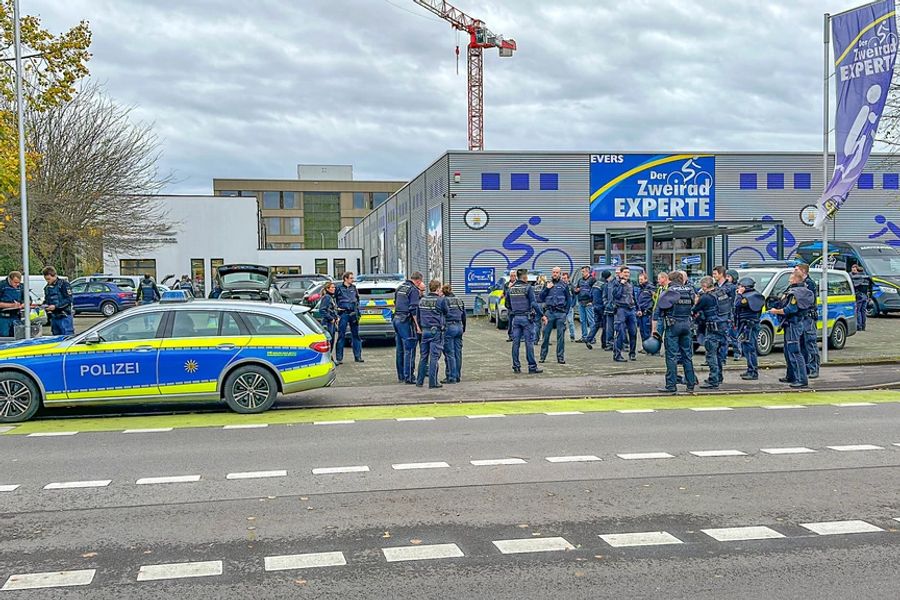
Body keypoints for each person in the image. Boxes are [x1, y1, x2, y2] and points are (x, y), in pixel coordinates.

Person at [653, 271, 697, 394]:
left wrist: (656, 330)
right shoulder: (689, 290)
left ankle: (671, 385)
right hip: (687, 325)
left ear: (670, 279)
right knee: (687, 356)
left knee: (671, 356)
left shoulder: (668, 291)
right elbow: (695, 304)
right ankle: (690, 384)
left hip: (673, 325)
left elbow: (659, 311)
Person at [769, 271, 814, 388]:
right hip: (798, 323)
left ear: (795, 280)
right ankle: (792, 376)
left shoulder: (794, 294)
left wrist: (776, 311)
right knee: (789, 351)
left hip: (793, 324)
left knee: (794, 351)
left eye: (790, 278)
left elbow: (790, 309)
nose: (789, 280)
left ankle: (801, 379)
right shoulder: (805, 291)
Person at [505, 268, 542, 374]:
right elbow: (534, 304)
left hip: (515, 319)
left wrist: (514, 311)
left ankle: (516, 366)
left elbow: (507, 304)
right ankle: (532, 367)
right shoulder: (528, 288)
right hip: (526, 318)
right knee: (529, 342)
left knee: (515, 343)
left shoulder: (510, 289)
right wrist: (542, 315)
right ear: (525, 277)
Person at [693, 276, 727, 389]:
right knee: (718, 354)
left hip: (713, 328)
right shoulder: (721, 293)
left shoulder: (706, 297)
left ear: (704, 286)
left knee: (711, 354)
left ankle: (713, 380)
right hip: (724, 326)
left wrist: (696, 300)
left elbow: (694, 309)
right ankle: (719, 376)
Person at [416, 279, 449, 389]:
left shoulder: (421, 300)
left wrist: (421, 327)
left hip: (424, 331)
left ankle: (419, 381)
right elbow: (446, 312)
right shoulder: (440, 300)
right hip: (436, 331)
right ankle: (433, 382)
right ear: (438, 288)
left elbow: (418, 316)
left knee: (423, 356)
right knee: (434, 357)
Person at [393, 272, 423, 384]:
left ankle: (401, 376)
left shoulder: (400, 287)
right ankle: (409, 377)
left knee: (400, 350)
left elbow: (395, 302)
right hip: (406, 320)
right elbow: (413, 309)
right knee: (409, 349)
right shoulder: (413, 290)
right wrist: (418, 326)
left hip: (396, 319)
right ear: (419, 280)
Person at [538, 266, 572, 364]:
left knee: (560, 337)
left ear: (560, 274)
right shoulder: (547, 284)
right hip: (549, 312)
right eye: (553, 272)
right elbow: (540, 297)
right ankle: (542, 356)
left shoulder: (564, 285)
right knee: (545, 335)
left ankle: (560, 357)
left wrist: (566, 312)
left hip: (561, 313)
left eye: (557, 272)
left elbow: (569, 300)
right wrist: (547, 289)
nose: (555, 274)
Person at [734, 276, 765, 380]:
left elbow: (737, 304)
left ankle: (753, 372)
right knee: (746, 348)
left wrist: (739, 294)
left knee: (750, 348)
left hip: (749, 325)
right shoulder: (753, 295)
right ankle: (750, 369)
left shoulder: (749, 296)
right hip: (747, 324)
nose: (738, 288)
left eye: (740, 286)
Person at [794, 263, 820, 379]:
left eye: (796, 269)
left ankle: (814, 368)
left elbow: (806, 301)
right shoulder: (798, 283)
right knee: (802, 344)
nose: (794, 271)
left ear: (803, 271)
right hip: (801, 316)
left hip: (808, 317)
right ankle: (805, 368)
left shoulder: (809, 284)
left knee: (810, 342)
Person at [335, 271, 363, 364]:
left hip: (353, 313)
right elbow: (334, 300)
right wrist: (337, 310)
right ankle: (339, 358)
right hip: (343, 313)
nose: (352, 279)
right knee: (341, 335)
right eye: (351, 278)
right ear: (345, 279)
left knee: (356, 335)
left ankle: (358, 356)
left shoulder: (354, 288)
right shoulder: (339, 288)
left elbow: (357, 299)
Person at [611, 266, 638, 362]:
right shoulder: (615, 283)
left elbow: (633, 296)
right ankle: (617, 355)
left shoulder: (631, 283)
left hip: (631, 309)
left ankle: (632, 353)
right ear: (621, 273)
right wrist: (621, 285)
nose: (627, 274)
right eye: (625, 272)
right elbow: (615, 295)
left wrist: (637, 308)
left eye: (628, 272)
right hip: (621, 309)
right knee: (620, 332)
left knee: (633, 332)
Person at [442, 283, 466, 383]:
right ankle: (457, 375)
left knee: (449, 353)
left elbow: (442, 315)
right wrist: (463, 328)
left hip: (449, 327)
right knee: (458, 353)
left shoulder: (444, 301)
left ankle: (451, 377)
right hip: (459, 326)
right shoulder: (459, 300)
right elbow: (464, 315)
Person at [41, 266, 74, 336]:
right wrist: (44, 305)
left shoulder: (64, 284)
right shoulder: (47, 288)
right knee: (55, 337)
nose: (47, 281)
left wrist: (56, 306)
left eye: (48, 279)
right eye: (46, 279)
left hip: (64, 316)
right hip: (54, 317)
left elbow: (69, 299)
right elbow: (47, 300)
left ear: (54, 276)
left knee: (67, 336)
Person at [583, 269, 610, 350]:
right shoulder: (605, 284)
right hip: (602, 307)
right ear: (607, 277)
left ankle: (588, 338)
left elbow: (590, 294)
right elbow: (605, 296)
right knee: (605, 325)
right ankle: (604, 343)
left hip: (595, 307)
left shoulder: (596, 284)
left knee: (596, 324)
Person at [573, 266, 595, 341]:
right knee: (582, 320)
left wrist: (592, 302)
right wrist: (576, 291)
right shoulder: (580, 280)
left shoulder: (592, 280)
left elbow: (596, 292)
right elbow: (577, 290)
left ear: (588, 272)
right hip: (581, 302)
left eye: (583, 272)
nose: (582, 273)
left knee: (591, 321)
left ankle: (592, 338)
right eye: (582, 272)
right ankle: (584, 337)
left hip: (589, 303)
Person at [0, 271, 25, 338]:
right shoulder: (2, 286)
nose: (17, 284)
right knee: (4, 337)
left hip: (16, 316)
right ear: (10, 280)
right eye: (15, 282)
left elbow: (28, 299)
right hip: (3, 317)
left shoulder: (21, 287)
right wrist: (11, 305)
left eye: (18, 282)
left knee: (17, 336)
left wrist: (23, 304)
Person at [850, 263, 872, 332]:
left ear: (857, 269)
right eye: (852, 269)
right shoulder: (864, 276)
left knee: (858, 311)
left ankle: (859, 326)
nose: (853, 271)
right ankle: (863, 326)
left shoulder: (856, 277)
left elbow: (855, 286)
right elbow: (869, 286)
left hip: (859, 296)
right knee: (863, 311)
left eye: (854, 269)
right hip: (865, 296)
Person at [636, 271, 655, 349]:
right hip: (640, 312)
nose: (640, 281)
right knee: (642, 331)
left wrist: (649, 309)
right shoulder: (640, 288)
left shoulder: (651, 288)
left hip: (647, 313)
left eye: (641, 279)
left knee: (647, 331)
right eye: (639, 279)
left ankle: (648, 347)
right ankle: (644, 347)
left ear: (646, 279)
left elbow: (654, 300)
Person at [532, 274, 547, 345]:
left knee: (537, 324)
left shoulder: (534, 287)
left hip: (536, 306)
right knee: (545, 323)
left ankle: (535, 340)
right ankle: (545, 340)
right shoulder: (546, 287)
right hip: (544, 305)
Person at [562, 272, 576, 341]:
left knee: (570, 322)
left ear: (568, 278)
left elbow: (574, 296)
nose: (564, 280)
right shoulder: (560, 286)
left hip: (569, 307)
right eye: (563, 278)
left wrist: (572, 304)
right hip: (562, 307)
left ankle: (572, 336)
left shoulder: (571, 286)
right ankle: (561, 336)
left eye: (565, 278)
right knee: (562, 322)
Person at [504, 269, 517, 342]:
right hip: (510, 306)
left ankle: (519, 336)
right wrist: (509, 288)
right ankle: (510, 336)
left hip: (518, 306)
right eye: (511, 276)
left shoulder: (519, 284)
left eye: (514, 276)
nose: (513, 277)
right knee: (510, 322)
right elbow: (505, 295)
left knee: (518, 322)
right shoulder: (506, 284)